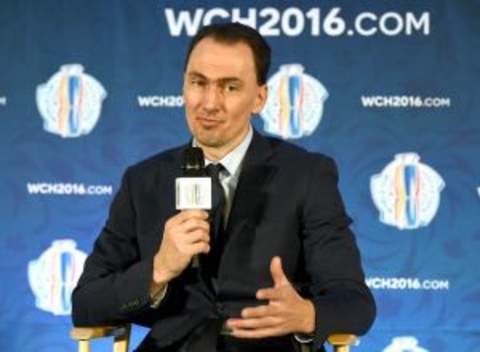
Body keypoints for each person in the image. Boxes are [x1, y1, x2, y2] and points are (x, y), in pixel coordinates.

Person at [72, 22, 376, 352]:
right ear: (183, 86)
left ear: (259, 98)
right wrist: (158, 270)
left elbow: (355, 302)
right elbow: (86, 302)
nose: (209, 103)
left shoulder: (306, 175)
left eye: (229, 87)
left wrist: (306, 316)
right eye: (198, 83)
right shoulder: (144, 181)